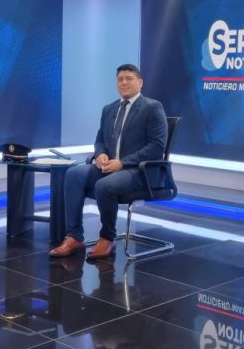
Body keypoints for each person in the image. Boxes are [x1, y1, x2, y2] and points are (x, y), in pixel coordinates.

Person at [49, 63, 167, 259]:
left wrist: (122, 162)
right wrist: (100, 154)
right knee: (73, 174)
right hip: (110, 167)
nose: (124, 83)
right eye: (120, 79)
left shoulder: (152, 107)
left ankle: (107, 238)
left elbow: (156, 147)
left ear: (140, 83)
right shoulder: (109, 109)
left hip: (139, 171)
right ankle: (74, 236)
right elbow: (100, 140)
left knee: (104, 186)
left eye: (129, 78)